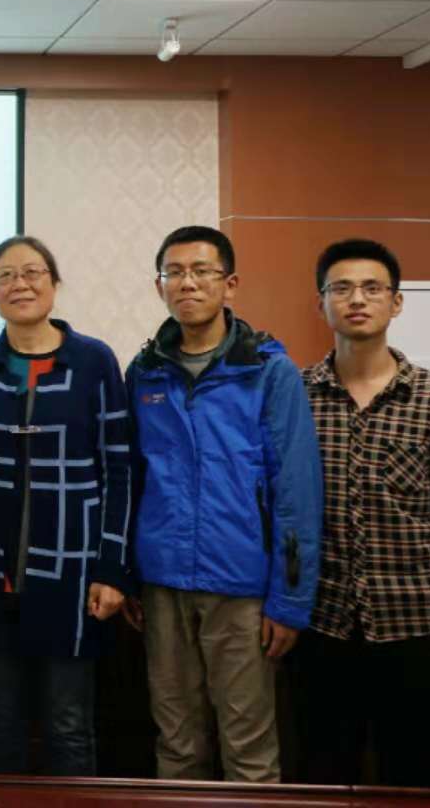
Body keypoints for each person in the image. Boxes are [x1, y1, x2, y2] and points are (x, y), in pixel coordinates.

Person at [127, 225, 322, 783]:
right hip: (162, 585)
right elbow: (131, 480)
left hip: (242, 589)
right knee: (176, 743)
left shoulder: (268, 371)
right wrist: (129, 574)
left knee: (249, 749)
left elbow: (296, 493)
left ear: (229, 284)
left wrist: (290, 601)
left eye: (201, 272)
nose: (187, 283)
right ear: (160, 285)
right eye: (174, 273)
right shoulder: (144, 373)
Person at [293, 238, 430, 787]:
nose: (357, 299)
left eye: (372, 288)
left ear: (396, 302)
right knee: (325, 775)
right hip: (322, 621)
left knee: (417, 779)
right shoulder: (296, 395)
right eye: (342, 288)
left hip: (418, 622)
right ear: (321, 303)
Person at [0, 236, 134, 776]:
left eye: (32, 272)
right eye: (5, 276)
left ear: (54, 283)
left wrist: (112, 569)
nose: (20, 284)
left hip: (73, 577)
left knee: (67, 726)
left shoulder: (94, 361)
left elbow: (120, 469)